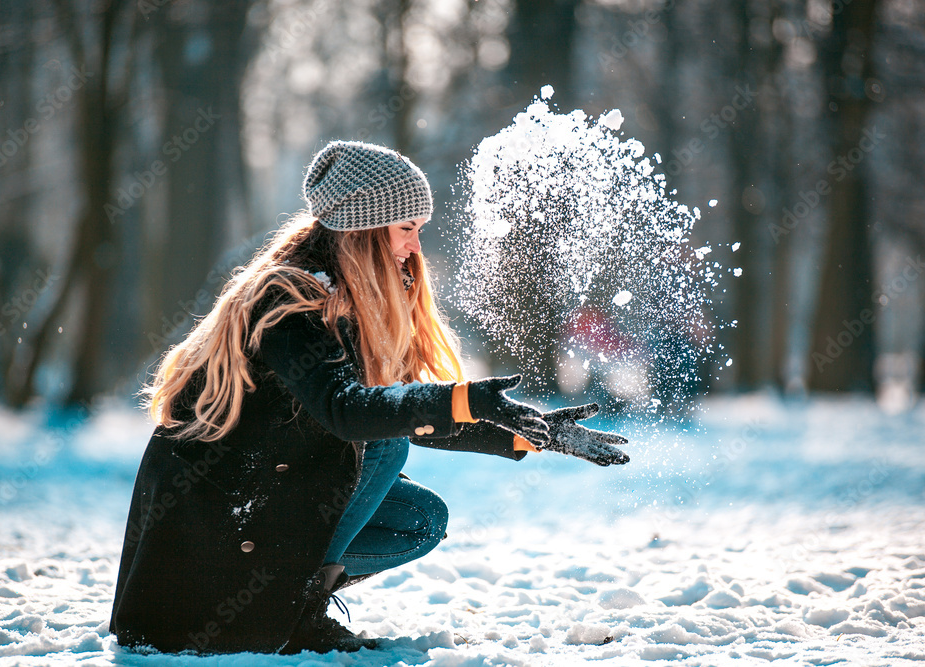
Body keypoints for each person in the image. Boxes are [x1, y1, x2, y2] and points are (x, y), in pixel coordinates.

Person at [109, 141, 630, 656]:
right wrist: (464, 398)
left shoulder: (349, 295)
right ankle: (294, 612)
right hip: (212, 524)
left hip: (266, 495)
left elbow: (402, 411)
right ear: (365, 226)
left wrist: (532, 434)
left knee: (420, 519)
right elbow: (351, 413)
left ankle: (288, 598)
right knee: (382, 448)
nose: (415, 247)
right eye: (406, 228)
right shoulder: (291, 299)